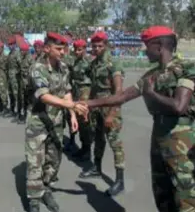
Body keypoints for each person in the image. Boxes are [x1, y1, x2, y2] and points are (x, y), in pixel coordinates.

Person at [80, 26, 195, 212]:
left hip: (182, 143)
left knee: (185, 195)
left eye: (146, 46)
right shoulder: (151, 75)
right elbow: (121, 97)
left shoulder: (185, 69)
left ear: (158, 46)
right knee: (162, 191)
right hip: (159, 139)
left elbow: (179, 106)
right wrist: (88, 103)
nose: (144, 50)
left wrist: (152, 94)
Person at [26, 32, 88, 212]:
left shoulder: (63, 68)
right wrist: (73, 105)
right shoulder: (37, 68)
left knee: (53, 161)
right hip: (38, 123)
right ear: (47, 49)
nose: (63, 52)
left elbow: (66, 90)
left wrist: (72, 114)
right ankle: (34, 201)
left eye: (64, 49)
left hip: (57, 123)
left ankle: (45, 189)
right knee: (35, 163)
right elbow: (44, 96)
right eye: (58, 49)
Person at [78, 31, 126, 197]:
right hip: (97, 107)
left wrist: (112, 114)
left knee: (114, 142)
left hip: (110, 107)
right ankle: (96, 168)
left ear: (105, 45)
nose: (97, 48)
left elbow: (119, 91)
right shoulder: (94, 63)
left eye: (100, 46)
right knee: (98, 138)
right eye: (94, 46)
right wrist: (88, 107)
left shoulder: (113, 63)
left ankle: (120, 180)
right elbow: (93, 87)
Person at [70, 39, 93, 161]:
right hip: (77, 91)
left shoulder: (89, 62)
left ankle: (87, 150)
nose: (77, 52)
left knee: (85, 121)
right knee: (79, 119)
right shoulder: (75, 62)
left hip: (86, 91)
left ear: (84, 49)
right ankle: (83, 147)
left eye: (79, 50)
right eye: (75, 50)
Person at [18, 41, 34, 124]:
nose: (21, 52)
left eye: (22, 50)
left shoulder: (30, 58)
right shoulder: (23, 58)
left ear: (26, 50)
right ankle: (24, 115)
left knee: (29, 100)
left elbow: (31, 71)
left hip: (28, 83)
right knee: (23, 99)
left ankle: (29, 116)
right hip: (23, 82)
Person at [0, 41, 9, 115]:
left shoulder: (4, 56)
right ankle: (1, 107)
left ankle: (5, 107)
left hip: (2, 75)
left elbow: (7, 67)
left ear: (2, 48)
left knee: (3, 91)